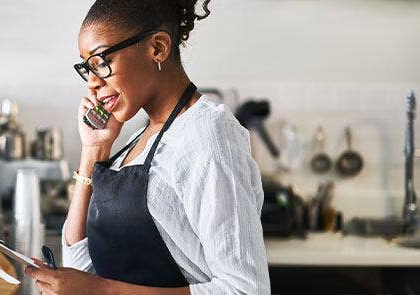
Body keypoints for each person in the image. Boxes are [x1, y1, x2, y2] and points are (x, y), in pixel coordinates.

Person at [25, 0, 270, 294]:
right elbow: (81, 269)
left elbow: (246, 289)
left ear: (157, 48)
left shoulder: (208, 135)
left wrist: (103, 291)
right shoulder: (137, 138)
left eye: (101, 62)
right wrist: (93, 151)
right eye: (86, 68)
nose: (92, 83)